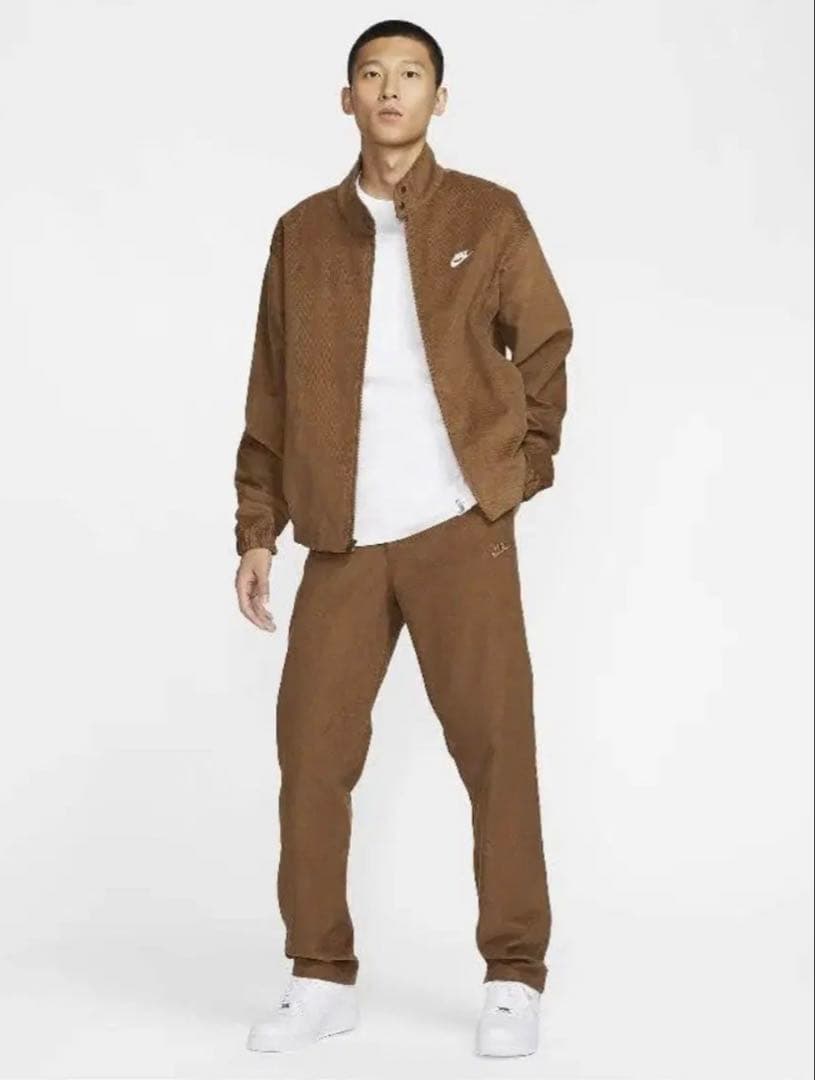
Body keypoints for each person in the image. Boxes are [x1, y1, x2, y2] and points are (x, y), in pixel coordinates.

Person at [233, 18, 573, 1058]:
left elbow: (545, 344)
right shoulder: (301, 234)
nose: (390, 89)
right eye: (372, 74)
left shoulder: (487, 214)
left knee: (495, 751)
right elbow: (269, 389)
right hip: (342, 535)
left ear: (438, 98)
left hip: (456, 528)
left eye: (410, 74)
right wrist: (258, 525)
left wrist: (514, 474)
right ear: (347, 99)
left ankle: (512, 975)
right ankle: (318, 975)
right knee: (311, 754)